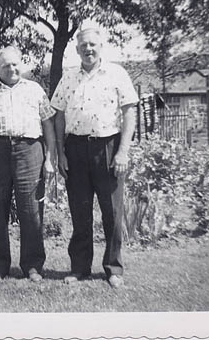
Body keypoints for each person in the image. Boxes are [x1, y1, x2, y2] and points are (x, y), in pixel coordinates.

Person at [50, 27, 138, 289]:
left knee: (112, 211)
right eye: (83, 45)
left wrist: (123, 151)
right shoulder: (68, 77)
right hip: (75, 148)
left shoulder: (116, 73)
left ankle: (113, 268)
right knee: (80, 211)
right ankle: (79, 268)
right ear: (76, 49)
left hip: (107, 147)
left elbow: (129, 112)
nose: (88, 49)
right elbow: (59, 116)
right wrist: (61, 152)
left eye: (93, 44)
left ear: (101, 46)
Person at [0, 46, 56, 284]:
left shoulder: (35, 90)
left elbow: (48, 125)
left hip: (30, 150)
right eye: (6, 65)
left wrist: (50, 158)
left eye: (15, 63)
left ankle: (33, 265)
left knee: (31, 209)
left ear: (21, 64)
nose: (12, 68)